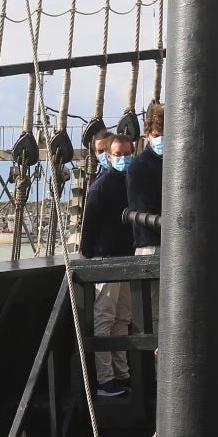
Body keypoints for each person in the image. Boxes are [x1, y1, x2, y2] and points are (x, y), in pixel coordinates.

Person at [80, 132, 135, 397]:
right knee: (105, 317)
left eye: (127, 154)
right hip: (106, 258)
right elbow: (88, 225)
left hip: (124, 257)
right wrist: (89, 255)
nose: (123, 159)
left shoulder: (128, 181)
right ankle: (105, 379)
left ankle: (121, 373)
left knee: (122, 318)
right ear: (109, 156)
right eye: (118, 155)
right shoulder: (101, 186)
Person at [128, 104, 164, 255]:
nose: (161, 139)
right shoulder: (139, 166)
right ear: (147, 136)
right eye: (156, 136)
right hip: (151, 244)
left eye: (165, 135)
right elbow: (145, 207)